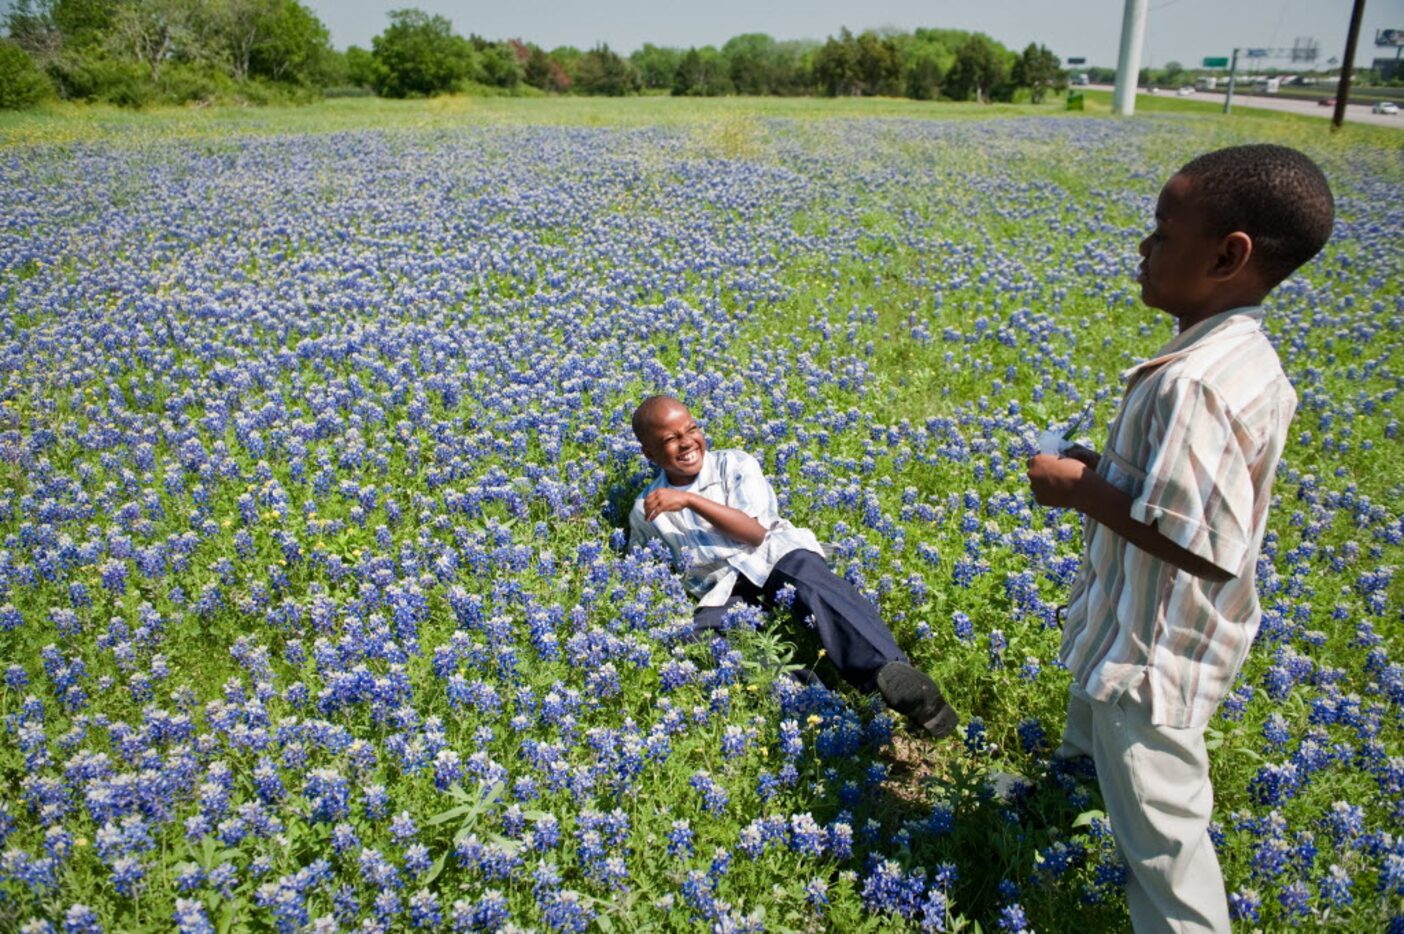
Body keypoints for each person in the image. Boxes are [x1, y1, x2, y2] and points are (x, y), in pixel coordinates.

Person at [1026, 144, 1334, 933]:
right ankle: (1061, 801)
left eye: (1162, 233)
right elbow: (1183, 493)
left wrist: (1081, 491)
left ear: (1229, 256)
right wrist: (1110, 477)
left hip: (1153, 659)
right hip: (1131, 627)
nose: (1143, 247)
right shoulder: (1238, 356)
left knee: (1166, 842)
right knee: (1087, 731)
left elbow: (1206, 546)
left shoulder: (1194, 382)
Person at [628, 394, 958, 738]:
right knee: (709, 638)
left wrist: (690, 500)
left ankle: (889, 675)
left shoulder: (733, 464)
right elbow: (650, 571)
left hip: (770, 557)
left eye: (691, 429)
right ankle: (821, 711)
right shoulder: (645, 509)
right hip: (723, 588)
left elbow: (755, 533)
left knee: (808, 580)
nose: (686, 442)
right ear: (649, 453)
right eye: (669, 439)